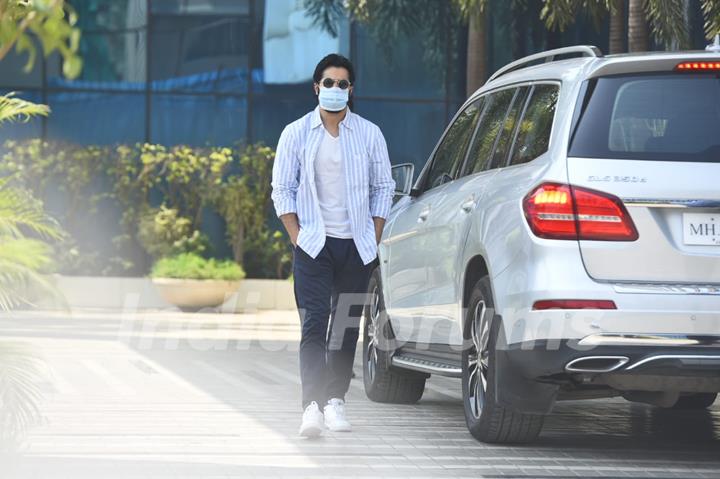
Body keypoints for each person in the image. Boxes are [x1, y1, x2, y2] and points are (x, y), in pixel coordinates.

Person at [270, 53, 395, 438]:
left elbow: (384, 187)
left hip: (355, 247)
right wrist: (296, 236)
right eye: (329, 83)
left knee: (345, 327)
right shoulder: (295, 133)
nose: (336, 89)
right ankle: (311, 406)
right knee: (313, 324)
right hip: (313, 245)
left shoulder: (369, 133)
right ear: (316, 87)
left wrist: (371, 237)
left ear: (351, 90)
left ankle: (335, 400)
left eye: (343, 84)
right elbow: (281, 189)